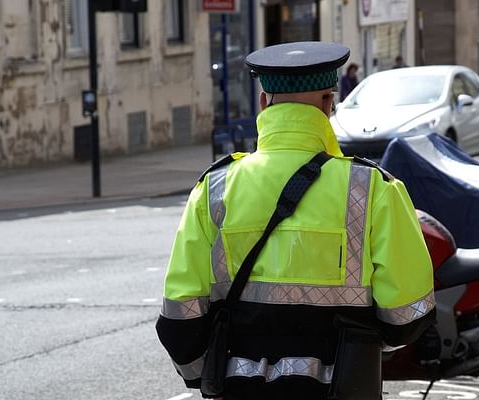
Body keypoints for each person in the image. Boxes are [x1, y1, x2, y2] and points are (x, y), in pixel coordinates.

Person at [156, 41, 435, 400]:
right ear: (327, 102)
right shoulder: (374, 189)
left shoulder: (214, 188)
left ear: (263, 103)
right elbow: (407, 317)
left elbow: (180, 318)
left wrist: (208, 376)